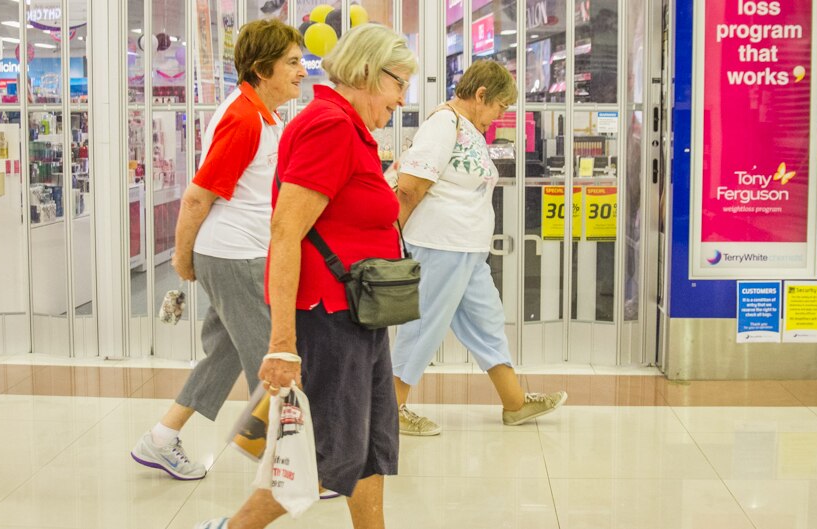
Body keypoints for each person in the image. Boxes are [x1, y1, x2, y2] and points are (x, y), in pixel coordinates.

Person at [196, 23, 416, 529]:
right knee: (323, 457)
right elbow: (285, 229)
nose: (402, 99)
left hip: (358, 313)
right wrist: (282, 343)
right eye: (398, 83)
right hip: (328, 316)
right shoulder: (331, 125)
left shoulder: (350, 127)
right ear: (367, 72)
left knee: (370, 447)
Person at [130, 19, 306, 480]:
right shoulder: (243, 118)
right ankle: (284, 468)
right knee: (273, 359)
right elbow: (197, 196)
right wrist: (182, 257)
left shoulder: (265, 115)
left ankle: (161, 439)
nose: (302, 70)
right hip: (234, 257)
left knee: (224, 353)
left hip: (243, 253)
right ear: (262, 68)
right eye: (292, 62)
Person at [391, 60, 567, 436]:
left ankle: (515, 404)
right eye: (500, 107)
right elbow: (409, 187)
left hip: (468, 250)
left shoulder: (468, 128)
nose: (501, 117)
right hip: (440, 244)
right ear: (481, 95)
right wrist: (393, 242)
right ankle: (391, 407)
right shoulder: (443, 124)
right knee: (423, 327)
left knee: (488, 325)